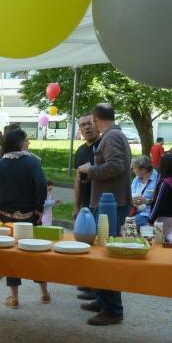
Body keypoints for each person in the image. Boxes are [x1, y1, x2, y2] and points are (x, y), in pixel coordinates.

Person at [0, 128, 49, 308]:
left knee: (12, 257)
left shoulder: (1, 164)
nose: (29, 143)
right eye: (26, 140)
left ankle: (14, 297)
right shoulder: (32, 163)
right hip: (30, 218)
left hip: (8, 220)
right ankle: (44, 292)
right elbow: (42, 184)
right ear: (19, 143)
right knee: (35, 255)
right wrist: (39, 208)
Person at [77, 103, 132, 326]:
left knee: (106, 256)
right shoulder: (112, 136)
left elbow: (116, 166)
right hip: (109, 202)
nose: (91, 126)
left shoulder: (112, 137)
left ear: (97, 119)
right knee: (101, 253)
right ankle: (102, 299)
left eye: (92, 121)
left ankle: (113, 309)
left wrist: (91, 170)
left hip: (112, 204)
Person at [72, 114, 100, 301]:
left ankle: (99, 288)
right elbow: (78, 180)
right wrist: (76, 205)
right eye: (83, 125)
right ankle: (89, 283)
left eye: (89, 123)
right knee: (85, 244)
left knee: (99, 245)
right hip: (85, 205)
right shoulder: (81, 151)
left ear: (96, 124)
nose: (87, 127)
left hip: (100, 202)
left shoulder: (103, 147)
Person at [130, 156, 159, 227]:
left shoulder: (158, 180)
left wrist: (147, 201)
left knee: (127, 224)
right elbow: (130, 194)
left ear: (143, 170)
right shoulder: (136, 179)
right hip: (133, 211)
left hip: (147, 214)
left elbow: (160, 201)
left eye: (134, 168)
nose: (133, 171)